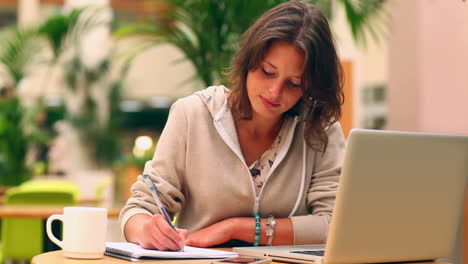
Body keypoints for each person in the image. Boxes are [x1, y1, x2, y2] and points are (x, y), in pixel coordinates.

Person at [120, 0, 345, 251]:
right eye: (267, 72)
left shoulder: (319, 129)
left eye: (293, 83)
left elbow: (334, 224)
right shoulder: (192, 115)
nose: (275, 91)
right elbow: (138, 210)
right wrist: (146, 230)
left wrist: (235, 228)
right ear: (249, 62)